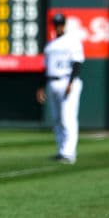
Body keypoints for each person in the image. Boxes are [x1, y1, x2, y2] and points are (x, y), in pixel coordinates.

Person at [37, 13, 84, 164]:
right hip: (52, 81)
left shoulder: (72, 42)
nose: (58, 26)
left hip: (67, 81)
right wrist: (41, 87)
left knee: (67, 118)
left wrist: (71, 82)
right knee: (57, 119)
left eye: (60, 24)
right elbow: (45, 68)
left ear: (64, 25)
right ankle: (61, 150)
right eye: (56, 24)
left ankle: (69, 153)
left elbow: (77, 63)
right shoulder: (50, 45)